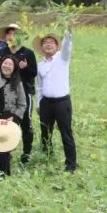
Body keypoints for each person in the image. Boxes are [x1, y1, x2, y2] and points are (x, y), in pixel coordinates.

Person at [0, 23, 37, 164]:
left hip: (24, 92)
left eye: (15, 34)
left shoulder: (28, 53)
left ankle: (26, 152)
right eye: (9, 33)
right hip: (5, 93)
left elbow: (34, 72)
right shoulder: (2, 52)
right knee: (6, 122)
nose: (12, 36)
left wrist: (25, 68)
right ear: (6, 37)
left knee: (26, 122)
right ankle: (6, 151)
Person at [36, 28, 77, 172]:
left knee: (66, 133)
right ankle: (47, 156)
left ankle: (71, 164)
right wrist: (39, 104)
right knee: (45, 132)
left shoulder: (62, 58)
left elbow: (67, 45)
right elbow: (39, 86)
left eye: (51, 42)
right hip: (46, 103)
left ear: (57, 46)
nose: (48, 45)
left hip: (62, 103)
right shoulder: (40, 65)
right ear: (41, 47)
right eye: (45, 42)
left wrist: (68, 30)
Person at [0, 54, 26, 176]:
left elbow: (22, 104)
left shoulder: (17, 83)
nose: (7, 66)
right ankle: (0, 169)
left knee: (5, 146)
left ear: (14, 68)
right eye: (5, 63)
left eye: (10, 64)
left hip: (9, 117)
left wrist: (14, 117)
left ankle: (3, 172)